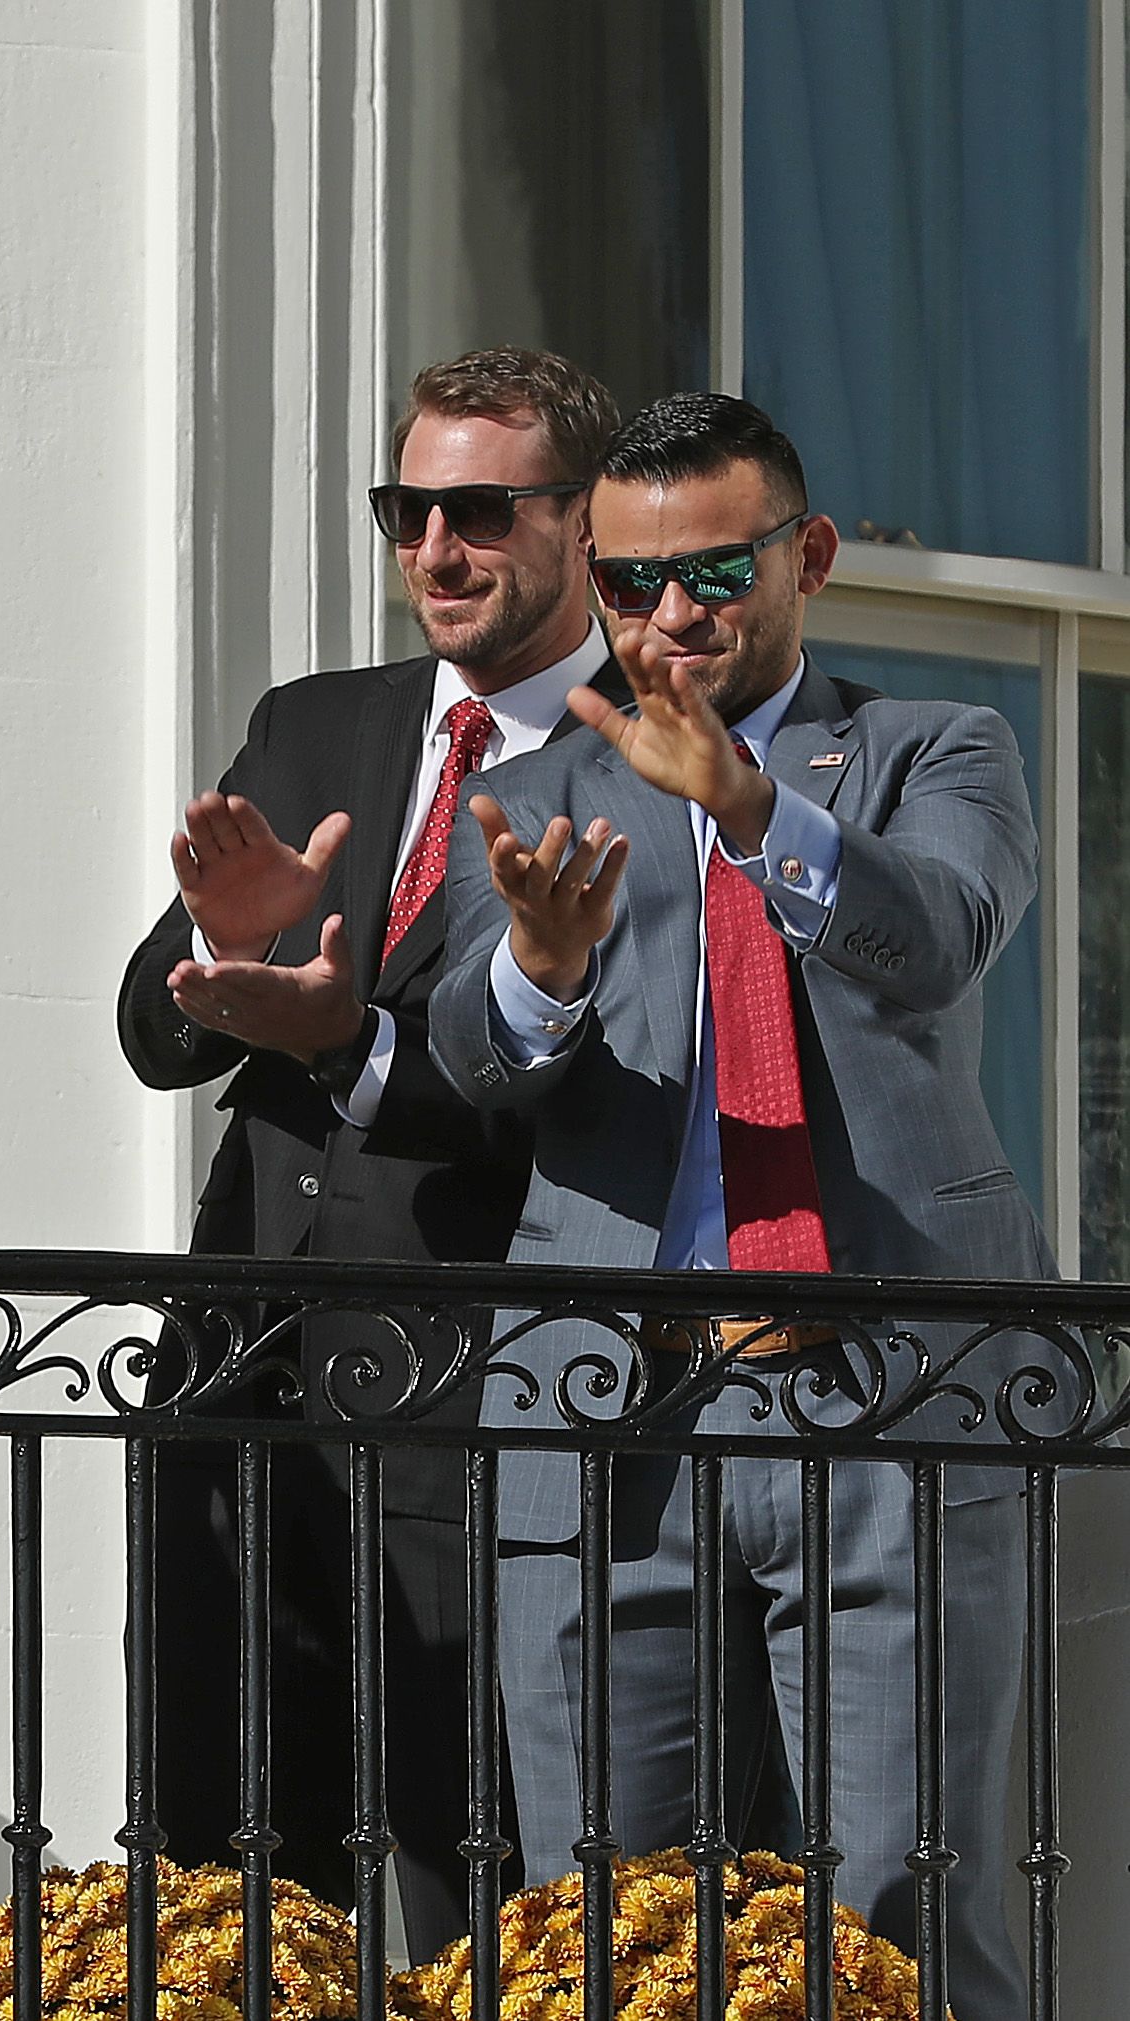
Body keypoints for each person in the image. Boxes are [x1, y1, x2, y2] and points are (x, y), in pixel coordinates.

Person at [431, 391, 1051, 2020]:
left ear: (808, 557)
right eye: (629, 585)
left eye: (711, 574)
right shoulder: (551, 774)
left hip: (890, 1395)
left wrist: (758, 812)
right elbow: (461, 1047)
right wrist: (540, 978)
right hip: (616, 1404)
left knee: (897, 1905)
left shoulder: (937, 748)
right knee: (602, 1926)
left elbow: (933, 939)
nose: (666, 619)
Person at [114, 348, 623, 1956]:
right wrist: (222, 951)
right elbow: (150, 1030)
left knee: (481, 1896)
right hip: (245, 1382)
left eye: (478, 511)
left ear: (588, 525)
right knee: (221, 1894)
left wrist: (349, 1039)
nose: (434, 551)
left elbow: (597, 1085)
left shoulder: (642, 764)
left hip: (483, 1393)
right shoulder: (320, 724)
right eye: (407, 510)